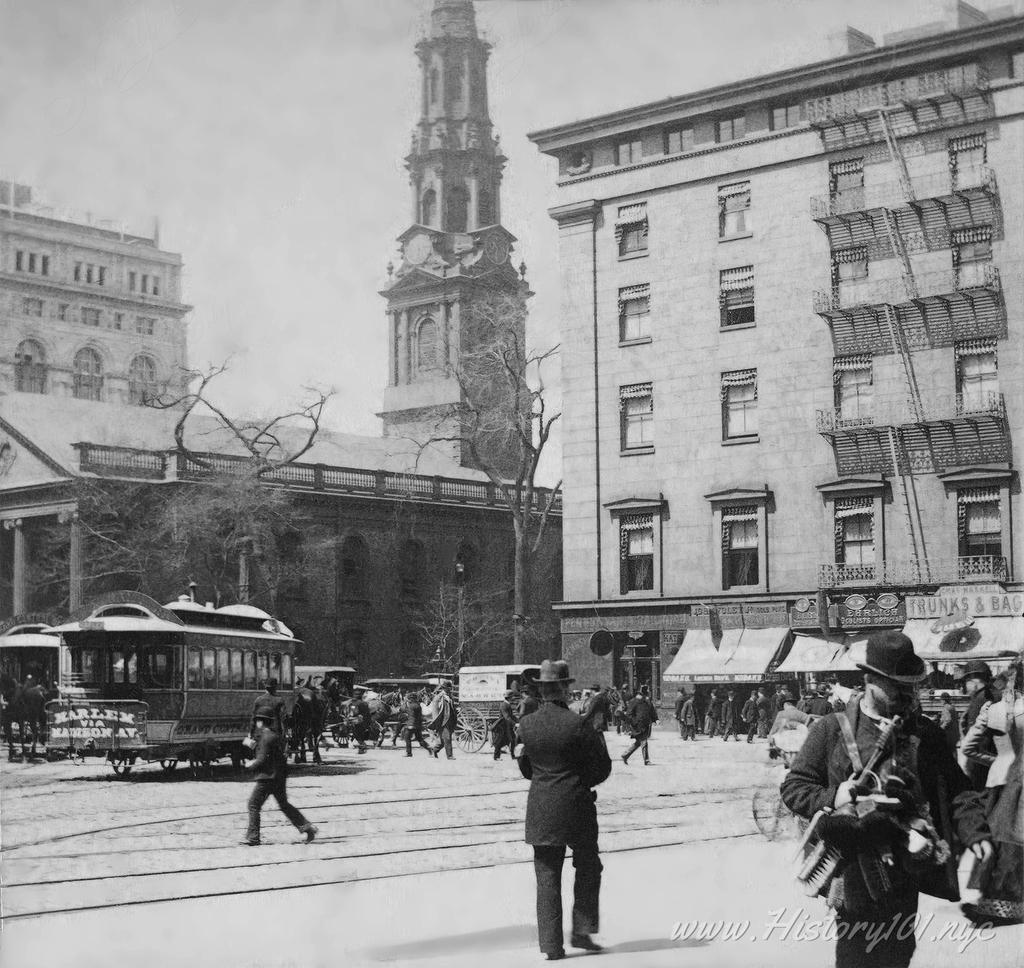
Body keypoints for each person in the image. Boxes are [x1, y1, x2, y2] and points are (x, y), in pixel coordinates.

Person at [781, 631, 991, 968]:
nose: (905, 696)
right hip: (852, 871)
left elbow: (959, 792)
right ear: (869, 681)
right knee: (856, 957)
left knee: (898, 954)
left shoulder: (926, 734)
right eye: (896, 688)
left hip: (906, 869)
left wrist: (976, 831)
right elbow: (794, 787)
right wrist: (835, 795)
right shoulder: (832, 730)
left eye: (910, 687)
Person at [517, 659, 611, 960]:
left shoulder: (527, 725)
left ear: (542, 690)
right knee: (588, 866)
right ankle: (582, 933)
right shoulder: (578, 725)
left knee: (546, 876)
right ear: (565, 689)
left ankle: (551, 946)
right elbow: (601, 768)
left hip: (541, 807)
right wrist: (579, 780)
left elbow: (526, 767)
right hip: (577, 807)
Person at [960, 659, 1023, 926]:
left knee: (999, 841)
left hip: (999, 781)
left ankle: (997, 902)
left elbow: (968, 748)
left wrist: (996, 760)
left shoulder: (992, 708)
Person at [241, 712, 317, 846]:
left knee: (253, 805)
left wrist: (250, 765)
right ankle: (307, 827)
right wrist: (251, 744)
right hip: (279, 776)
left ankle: (253, 837)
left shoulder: (265, 737)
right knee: (284, 804)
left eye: (257, 721)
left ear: (261, 722)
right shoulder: (273, 736)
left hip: (268, 777)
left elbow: (262, 759)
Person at [958, 660, 997, 790]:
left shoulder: (980, 699)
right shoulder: (996, 694)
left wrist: (974, 769)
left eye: (965, 682)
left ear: (972, 681)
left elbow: (978, 741)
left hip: (984, 766)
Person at [622, 684, 657, 765]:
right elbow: (629, 714)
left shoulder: (647, 701)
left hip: (645, 725)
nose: (648, 693)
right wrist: (633, 722)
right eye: (646, 692)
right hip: (638, 725)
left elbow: (651, 710)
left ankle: (625, 755)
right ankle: (646, 760)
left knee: (639, 742)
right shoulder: (634, 701)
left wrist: (656, 719)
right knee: (644, 741)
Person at [427, 680, 457, 760]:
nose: (449, 689)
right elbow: (435, 711)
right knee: (447, 738)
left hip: (450, 721)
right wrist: (436, 722)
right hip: (442, 721)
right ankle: (449, 756)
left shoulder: (450, 696)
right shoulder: (438, 697)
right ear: (444, 688)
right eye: (448, 688)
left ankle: (434, 750)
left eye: (450, 688)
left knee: (443, 740)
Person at [400, 691, 431, 757]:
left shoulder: (410, 706)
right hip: (418, 725)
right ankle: (430, 749)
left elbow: (402, 709)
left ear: (411, 699)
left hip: (411, 725)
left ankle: (409, 753)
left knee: (407, 738)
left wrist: (405, 703)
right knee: (420, 739)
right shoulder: (418, 705)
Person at [493, 689, 518, 760]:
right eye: (512, 697)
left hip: (507, 725)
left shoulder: (507, 704)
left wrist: (517, 721)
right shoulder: (504, 705)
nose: (513, 699)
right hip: (502, 726)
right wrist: (515, 724)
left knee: (512, 739)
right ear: (509, 698)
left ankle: (513, 755)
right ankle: (496, 757)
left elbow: (511, 716)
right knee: (499, 741)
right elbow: (507, 717)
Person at [349, 686, 372, 754]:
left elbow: (356, 712)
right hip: (360, 721)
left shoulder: (358, 703)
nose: (355, 696)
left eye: (356, 695)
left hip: (359, 721)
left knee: (358, 735)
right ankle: (362, 748)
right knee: (358, 735)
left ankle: (362, 747)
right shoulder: (362, 703)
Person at [938, 692, 960, 757]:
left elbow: (948, 720)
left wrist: (940, 728)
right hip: (955, 732)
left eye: (941, 700)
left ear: (943, 700)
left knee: (947, 751)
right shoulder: (952, 707)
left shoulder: (946, 708)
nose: (940, 701)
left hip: (948, 734)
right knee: (953, 750)